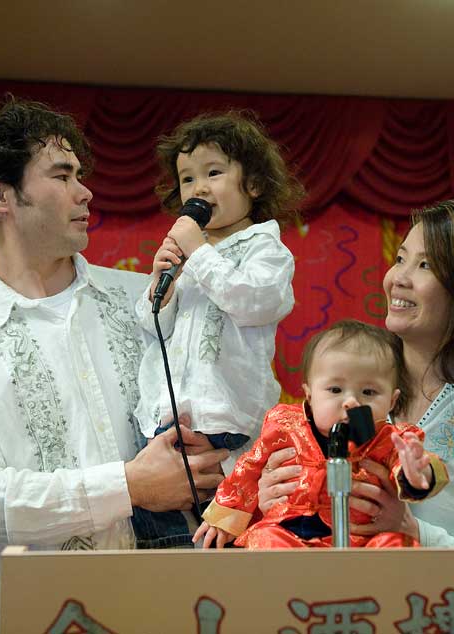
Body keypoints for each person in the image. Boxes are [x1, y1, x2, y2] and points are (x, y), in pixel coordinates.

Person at [0, 96, 227, 634]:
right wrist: (128, 486)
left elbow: (219, 402)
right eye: (62, 175)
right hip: (37, 620)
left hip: (173, 607)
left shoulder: (145, 302)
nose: (86, 191)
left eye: (81, 173)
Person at [256, 200, 454, 630]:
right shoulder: (345, 396)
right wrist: (270, 502)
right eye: (400, 258)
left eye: (424, 265)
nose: (398, 277)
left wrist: (416, 533)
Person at [131, 111, 304, 548]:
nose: (199, 188)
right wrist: (161, 287)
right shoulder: (190, 254)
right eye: (187, 179)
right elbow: (153, 329)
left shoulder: (265, 248)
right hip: (167, 421)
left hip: (223, 422)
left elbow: (253, 301)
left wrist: (198, 253)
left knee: (222, 534)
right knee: (154, 532)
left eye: (213, 172)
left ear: (255, 184)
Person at [193, 319, 449, 549]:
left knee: (397, 545)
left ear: (392, 402)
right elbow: (248, 469)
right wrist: (224, 516)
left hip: (361, 542)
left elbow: (409, 465)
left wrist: (416, 473)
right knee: (266, 539)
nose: (350, 402)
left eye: (368, 393)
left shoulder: (389, 439)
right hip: (291, 533)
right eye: (335, 389)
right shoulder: (285, 426)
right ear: (309, 395)